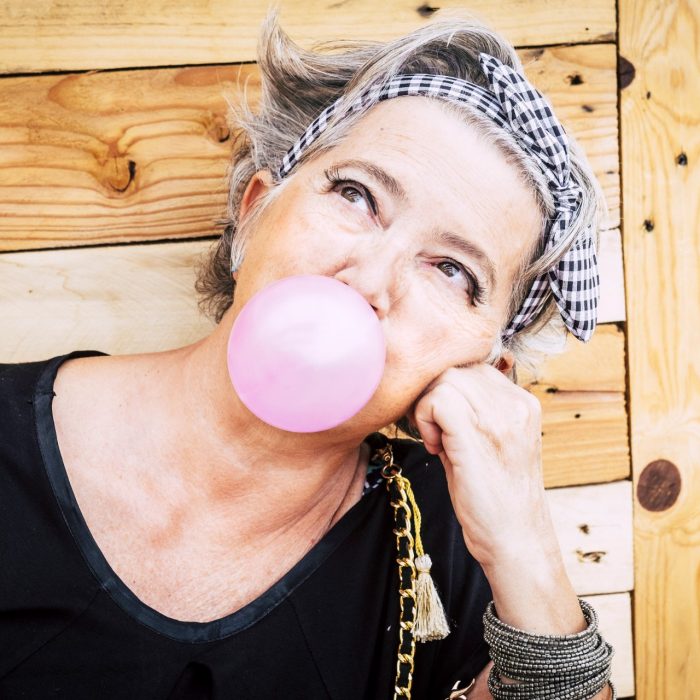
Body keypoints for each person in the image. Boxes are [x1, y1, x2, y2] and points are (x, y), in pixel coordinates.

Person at [0, 7, 616, 700]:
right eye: (357, 195)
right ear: (254, 210)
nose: (370, 280)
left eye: (452, 271)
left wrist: (526, 548)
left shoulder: (446, 532)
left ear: (485, 368)